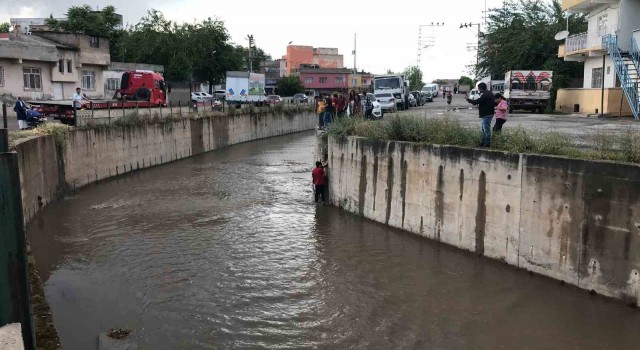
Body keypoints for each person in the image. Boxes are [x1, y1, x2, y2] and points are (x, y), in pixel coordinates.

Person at [466, 82, 495, 147]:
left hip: (486, 114)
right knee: (484, 129)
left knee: (485, 130)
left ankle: (487, 143)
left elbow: (476, 102)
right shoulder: (490, 93)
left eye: (479, 88)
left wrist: (468, 99)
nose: (478, 90)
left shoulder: (485, 95)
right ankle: (483, 142)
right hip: (489, 113)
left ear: (481, 88)